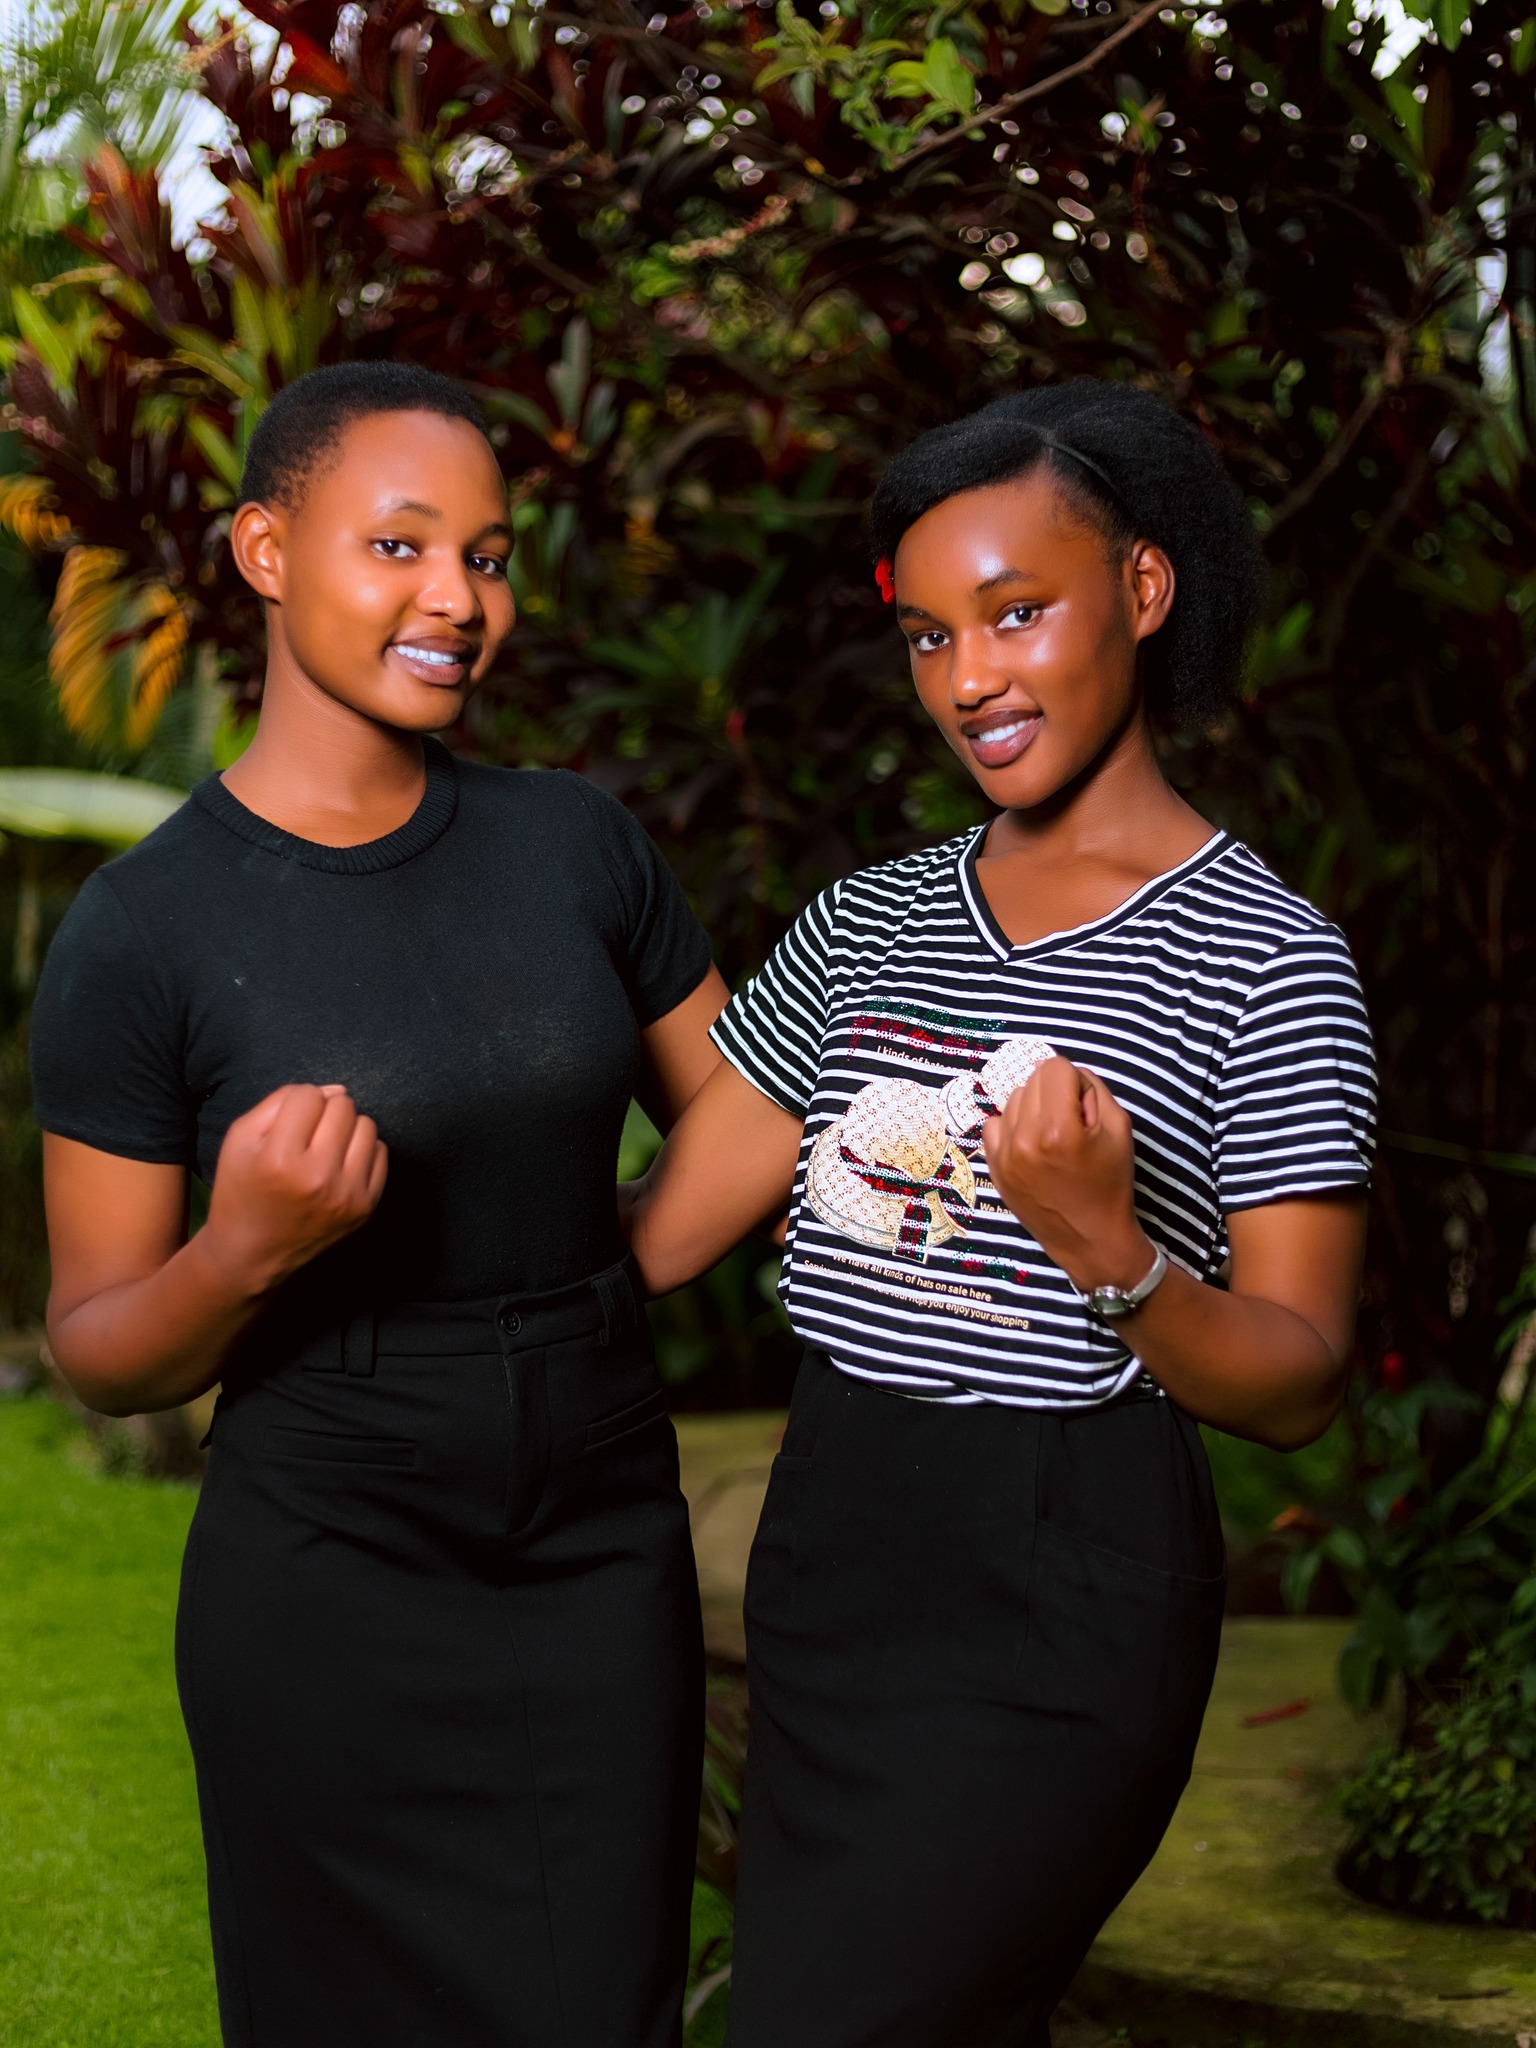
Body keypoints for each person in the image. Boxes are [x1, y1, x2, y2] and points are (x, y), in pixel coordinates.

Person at [626, 382, 1377, 2047]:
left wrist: (1106, 1241)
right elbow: (661, 1234)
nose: (969, 679)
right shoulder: (870, 923)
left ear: (1143, 590)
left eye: (1017, 613)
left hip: (1068, 1580)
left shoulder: (1270, 960)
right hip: (836, 1546)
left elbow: (1299, 1377)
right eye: (930, 637)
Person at [32, 362, 728, 2048]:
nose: (458, 599)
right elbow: (99, 1348)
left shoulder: (574, 843)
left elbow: (741, 1105)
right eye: (401, 545)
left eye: (487, 557)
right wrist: (242, 1251)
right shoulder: (143, 930)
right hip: (331, 1550)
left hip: (600, 1522)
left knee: (603, 2004)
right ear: (266, 550)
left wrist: (611, 1268)